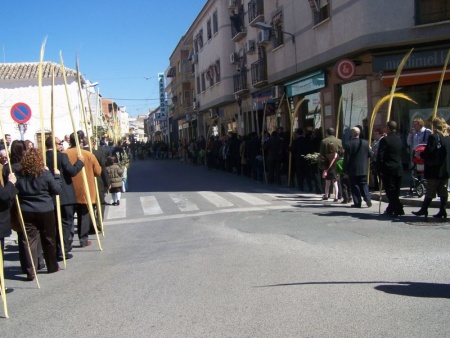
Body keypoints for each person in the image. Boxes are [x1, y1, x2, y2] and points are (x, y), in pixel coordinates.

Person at [15, 148, 62, 280]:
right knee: (49, 238)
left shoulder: (19, 175)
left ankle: (31, 270)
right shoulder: (45, 173)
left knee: (29, 241)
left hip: (27, 210)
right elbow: (57, 189)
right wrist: (57, 176)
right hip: (45, 209)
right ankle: (52, 266)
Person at [45, 136, 84, 260]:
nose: (61, 145)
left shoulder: (43, 158)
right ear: (55, 144)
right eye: (59, 143)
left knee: (55, 223)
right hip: (65, 195)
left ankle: (56, 249)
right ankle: (64, 249)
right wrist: (80, 162)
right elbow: (71, 171)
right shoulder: (61, 156)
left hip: (50, 195)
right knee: (66, 223)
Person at [64, 131, 101, 247]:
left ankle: (68, 239)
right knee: (83, 215)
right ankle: (83, 239)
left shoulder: (63, 154)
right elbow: (98, 172)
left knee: (68, 217)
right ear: (80, 141)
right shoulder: (88, 155)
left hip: (68, 190)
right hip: (85, 190)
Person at [412, 117, 450, 219]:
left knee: (430, 189)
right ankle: (442, 210)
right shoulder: (447, 137)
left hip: (435, 169)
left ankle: (424, 209)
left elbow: (430, 151)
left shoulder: (434, 137)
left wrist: (422, 154)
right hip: (445, 169)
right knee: (443, 190)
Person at [376, 121, 404, 216]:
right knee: (395, 190)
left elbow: (380, 156)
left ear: (388, 128)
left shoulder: (385, 140)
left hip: (388, 168)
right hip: (398, 167)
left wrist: (379, 169)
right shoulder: (399, 139)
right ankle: (390, 209)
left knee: (390, 190)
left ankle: (398, 208)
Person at [343, 126, 373, 208]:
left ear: (352, 133)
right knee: (363, 184)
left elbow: (347, 158)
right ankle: (367, 198)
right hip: (363, 168)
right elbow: (370, 154)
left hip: (353, 169)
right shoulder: (365, 143)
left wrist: (345, 169)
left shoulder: (348, 144)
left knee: (355, 185)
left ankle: (357, 202)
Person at [407, 118, 431, 192]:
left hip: (423, 154)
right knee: (415, 169)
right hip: (415, 154)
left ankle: (425, 183)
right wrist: (410, 134)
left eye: (416, 125)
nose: (414, 127)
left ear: (420, 124)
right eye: (413, 125)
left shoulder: (427, 132)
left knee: (424, 169)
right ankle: (416, 183)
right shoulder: (414, 133)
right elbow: (409, 143)